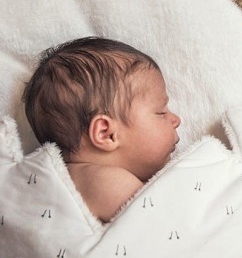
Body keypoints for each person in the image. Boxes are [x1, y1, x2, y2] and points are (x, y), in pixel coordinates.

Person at [22, 36, 181, 223]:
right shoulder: (106, 182)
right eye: (161, 112)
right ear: (106, 133)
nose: (176, 120)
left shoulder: (65, 179)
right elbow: (167, 226)